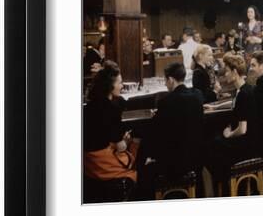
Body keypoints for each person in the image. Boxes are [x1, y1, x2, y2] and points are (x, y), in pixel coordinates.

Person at [136, 62, 205, 199]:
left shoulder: (166, 102)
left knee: (143, 169)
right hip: (196, 159)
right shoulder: (198, 96)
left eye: (165, 81)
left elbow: (154, 135)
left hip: (175, 164)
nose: (166, 85)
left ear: (171, 80)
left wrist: (141, 158)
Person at [83, 61, 138, 203]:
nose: (122, 85)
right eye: (119, 82)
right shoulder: (111, 109)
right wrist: (126, 140)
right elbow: (121, 146)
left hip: (87, 163)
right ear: (109, 85)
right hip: (103, 164)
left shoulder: (89, 106)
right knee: (136, 165)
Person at [206, 54, 260, 181]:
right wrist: (215, 107)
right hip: (251, 140)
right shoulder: (244, 89)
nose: (225, 75)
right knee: (214, 142)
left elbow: (242, 130)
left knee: (211, 146)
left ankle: (225, 184)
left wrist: (228, 134)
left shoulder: (244, 94)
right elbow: (234, 103)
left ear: (235, 72)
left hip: (247, 145)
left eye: (227, 71)